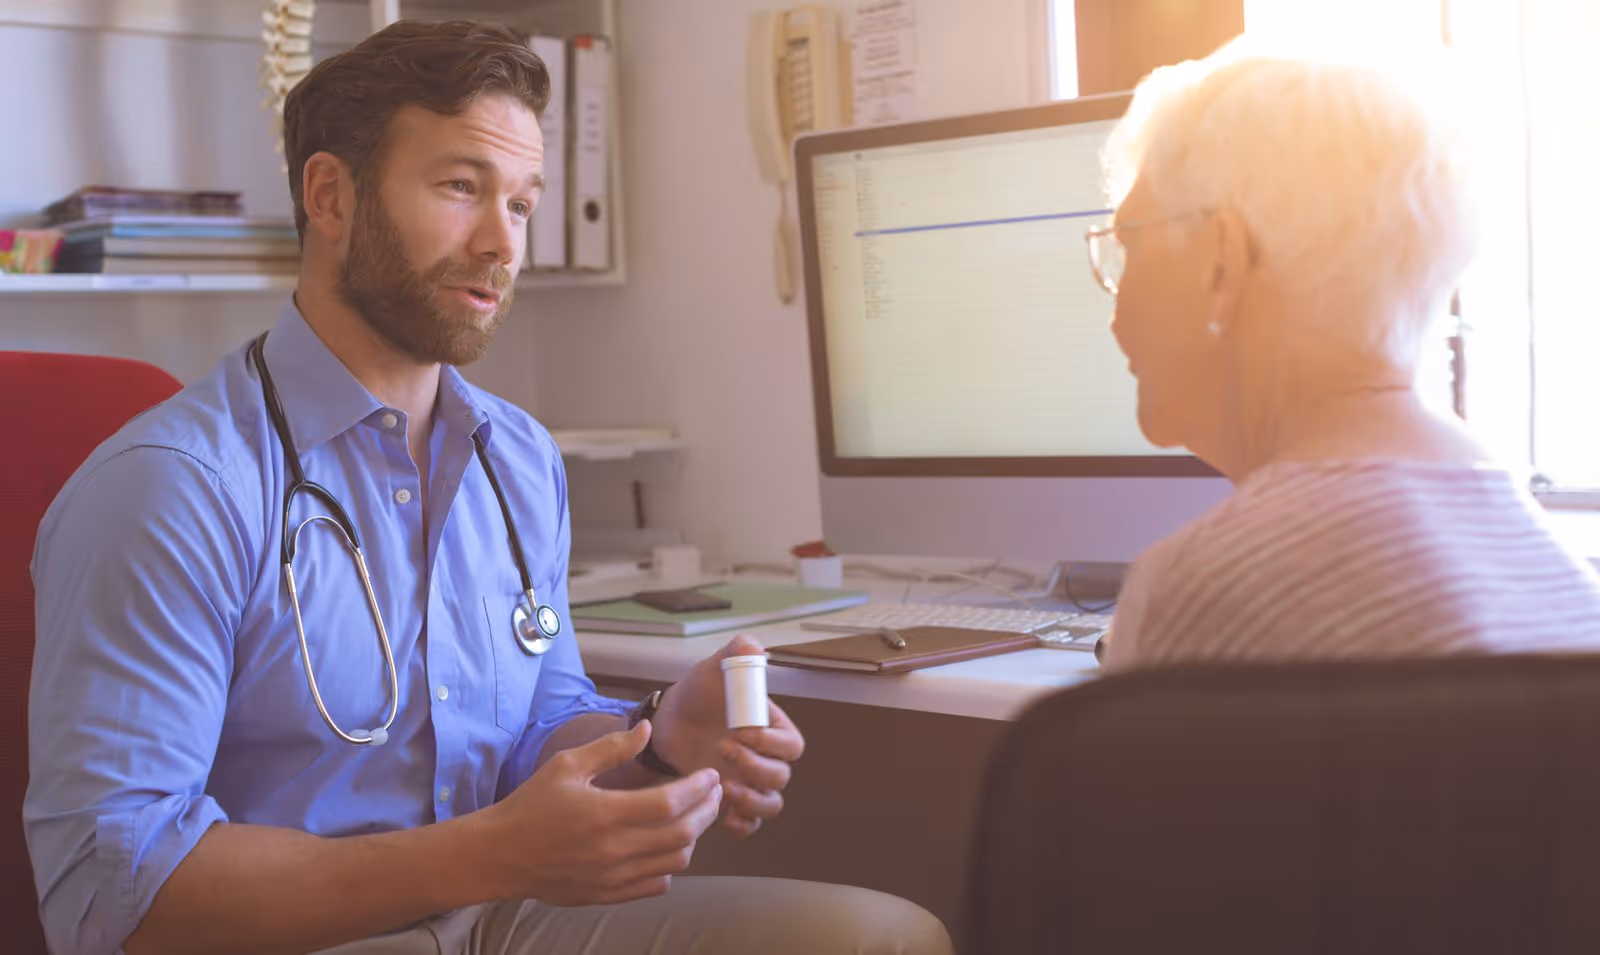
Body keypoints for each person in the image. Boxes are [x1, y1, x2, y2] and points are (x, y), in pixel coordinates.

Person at [24, 20, 951, 955]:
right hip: (303, 938)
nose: (502, 242)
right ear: (330, 195)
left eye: (521, 202)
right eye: (462, 187)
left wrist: (657, 740)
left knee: (881, 939)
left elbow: (535, 725)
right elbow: (114, 899)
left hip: (491, 918)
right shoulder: (172, 491)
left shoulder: (518, 459)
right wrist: (484, 856)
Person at [1088, 36, 1600, 670]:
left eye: (1128, 246)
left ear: (1221, 260)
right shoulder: (1551, 576)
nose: (1115, 313)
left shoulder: (1204, 590)